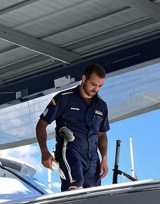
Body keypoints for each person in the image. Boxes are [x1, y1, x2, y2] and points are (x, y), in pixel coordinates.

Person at [35, 63, 110, 192]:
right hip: (69, 152)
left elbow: (101, 134)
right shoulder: (63, 99)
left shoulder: (101, 105)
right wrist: (44, 151)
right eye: (93, 84)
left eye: (100, 86)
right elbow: (41, 125)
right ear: (84, 79)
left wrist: (104, 158)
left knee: (94, 198)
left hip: (93, 160)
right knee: (75, 190)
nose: (96, 89)